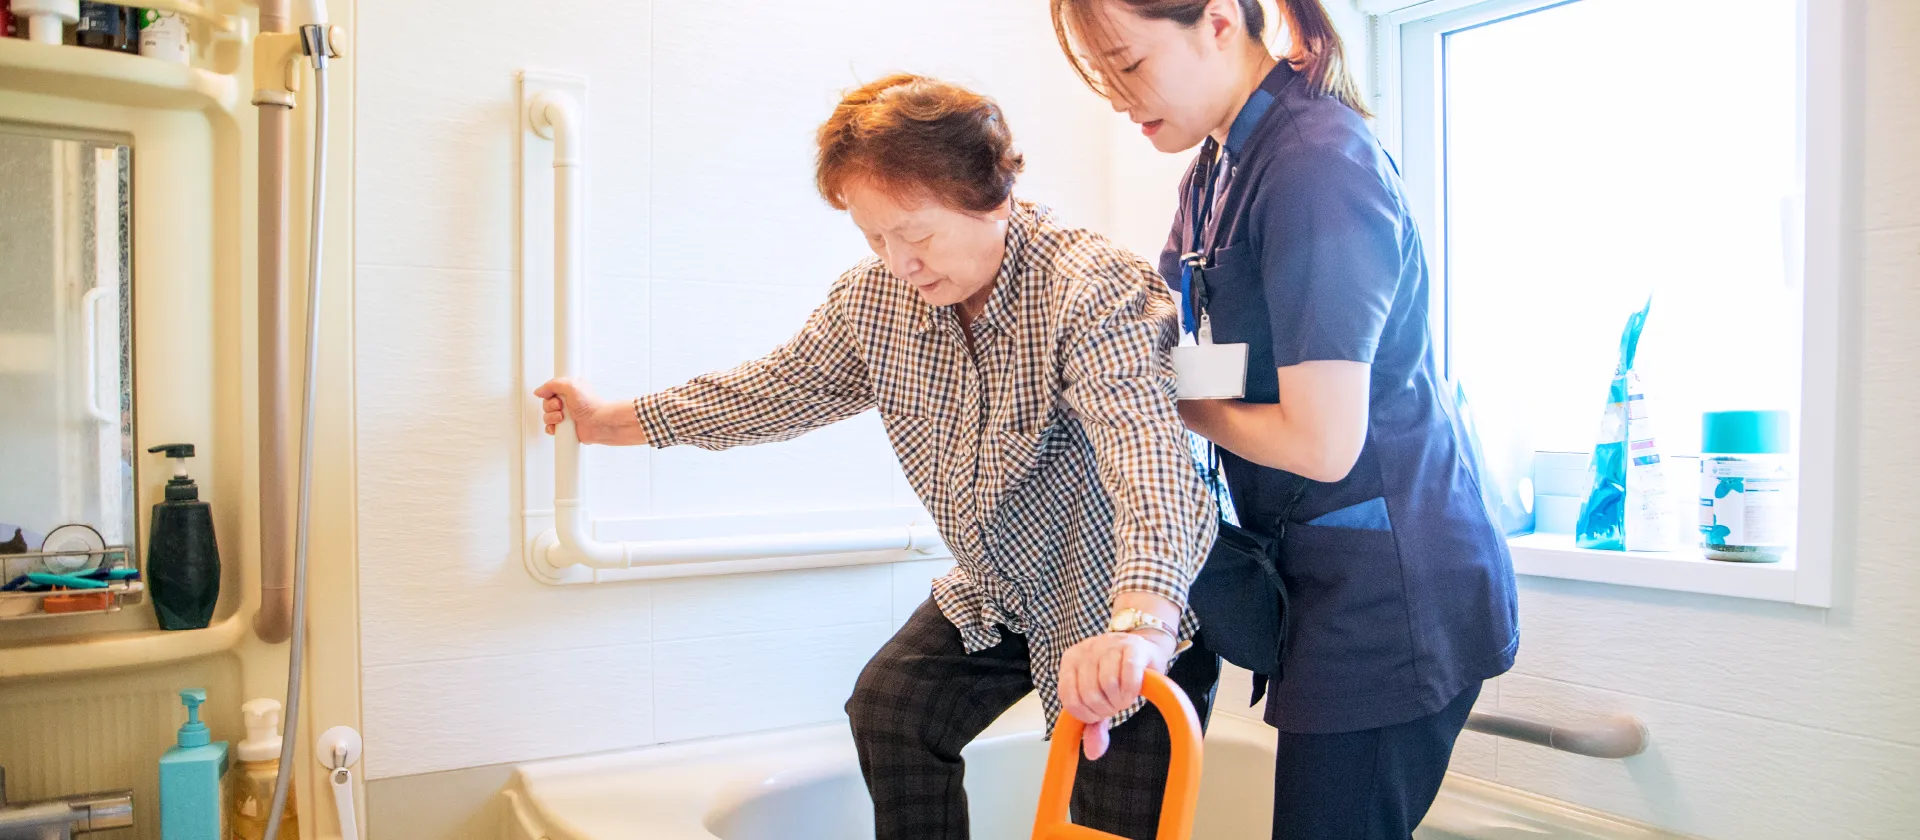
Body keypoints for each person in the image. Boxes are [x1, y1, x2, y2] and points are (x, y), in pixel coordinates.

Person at [533, 74, 1219, 840]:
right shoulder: (874, 303)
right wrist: (608, 423)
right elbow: (770, 392)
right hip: (1000, 592)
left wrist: (1140, 626)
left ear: (992, 195)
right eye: (874, 237)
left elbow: (1151, 464)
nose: (899, 262)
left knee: (1111, 819)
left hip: (1124, 600)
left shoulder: (1093, 291)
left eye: (915, 235)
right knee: (893, 709)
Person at [1051, 1, 1521, 838]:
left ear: (1219, 21)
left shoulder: (1315, 166)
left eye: (1129, 64)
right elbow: (1200, 347)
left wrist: (1170, 403)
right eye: (1101, 75)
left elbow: (1322, 442)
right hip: (1326, 580)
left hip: (1392, 595)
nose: (1118, 98)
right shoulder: (1215, 169)